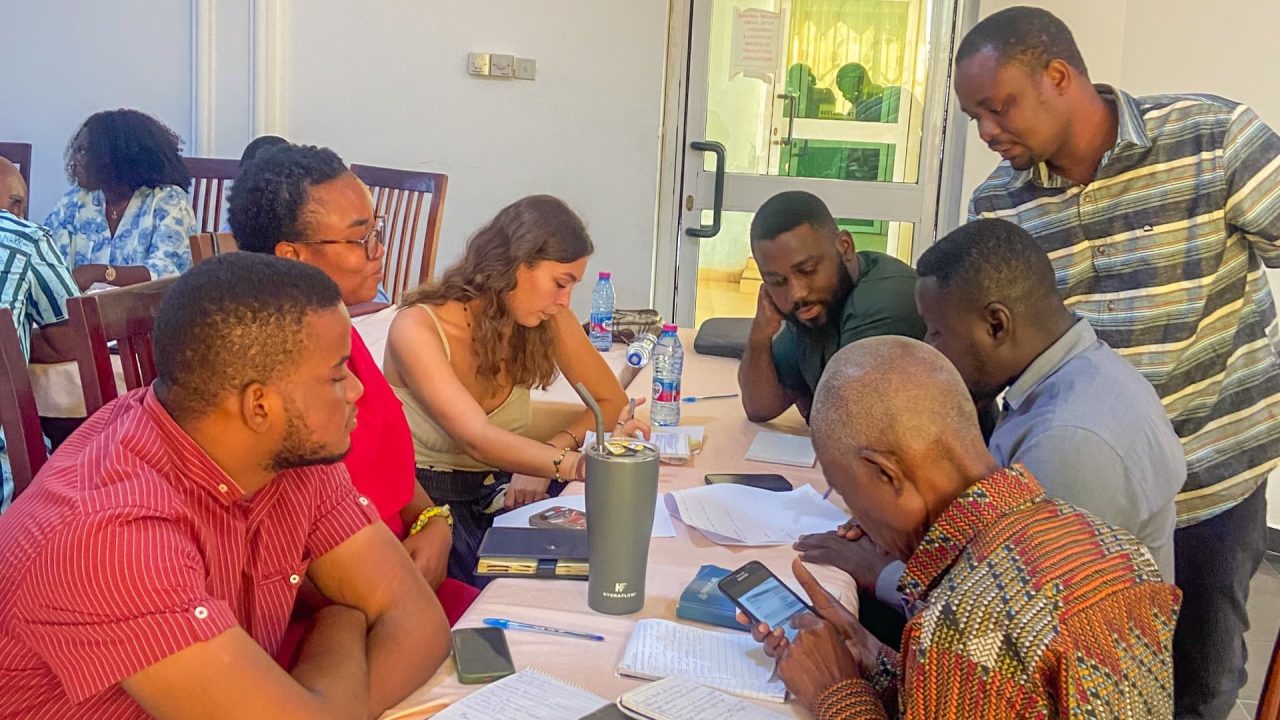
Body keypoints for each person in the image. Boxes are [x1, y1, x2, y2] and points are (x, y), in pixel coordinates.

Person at [956, 8, 1280, 717]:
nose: (985, 132)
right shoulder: (999, 209)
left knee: (1202, 675)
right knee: (1084, 678)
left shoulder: (1211, 138)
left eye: (996, 106)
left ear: (1059, 75)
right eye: (973, 116)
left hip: (1212, 479)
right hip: (1080, 491)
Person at [0, 253, 450, 719]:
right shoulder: (110, 534)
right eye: (338, 374)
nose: (356, 389)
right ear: (259, 406)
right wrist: (342, 618)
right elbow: (381, 613)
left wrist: (333, 697)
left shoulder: (290, 448)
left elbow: (418, 623)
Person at [745, 337, 1179, 719]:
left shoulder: (963, 623)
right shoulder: (1110, 544)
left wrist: (834, 693)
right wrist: (875, 658)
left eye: (847, 492)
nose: (856, 521)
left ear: (887, 474)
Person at [800, 218, 1187, 644]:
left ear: (996, 326)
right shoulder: (1070, 377)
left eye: (937, 331)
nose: (930, 346)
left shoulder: (1069, 441)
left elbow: (1006, 629)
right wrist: (894, 521)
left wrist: (878, 571)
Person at [228, 143, 477, 632]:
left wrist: (435, 524)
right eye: (359, 239)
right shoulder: (269, 374)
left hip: (406, 575)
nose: (379, 251)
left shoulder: (339, 333)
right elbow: (289, 564)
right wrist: (394, 587)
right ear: (292, 256)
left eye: (377, 231)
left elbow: (392, 464)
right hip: (344, 614)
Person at [383, 195, 647, 586]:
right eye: (560, 283)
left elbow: (611, 401)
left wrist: (551, 454)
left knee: (612, 551)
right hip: (429, 507)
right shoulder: (417, 328)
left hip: (501, 491)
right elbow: (476, 437)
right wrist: (568, 463)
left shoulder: (548, 319)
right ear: (515, 265)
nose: (564, 301)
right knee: (534, 587)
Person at [738, 190, 924, 423]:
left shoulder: (885, 302)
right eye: (777, 281)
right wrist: (760, 333)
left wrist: (811, 401)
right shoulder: (818, 304)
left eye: (807, 270)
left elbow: (846, 423)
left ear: (845, 247)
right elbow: (759, 408)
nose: (797, 292)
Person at [0, 165, 80, 511]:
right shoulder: (26, 239)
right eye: (16, 203)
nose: (20, 212)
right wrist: (15, 344)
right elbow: (71, 340)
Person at [43, 108, 196, 290]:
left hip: (147, 313)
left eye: (83, 151)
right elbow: (47, 261)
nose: (74, 161)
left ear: (114, 156)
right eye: (75, 151)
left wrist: (100, 273)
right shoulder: (75, 201)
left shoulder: (167, 200)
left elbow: (167, 272)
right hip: (81, 313)